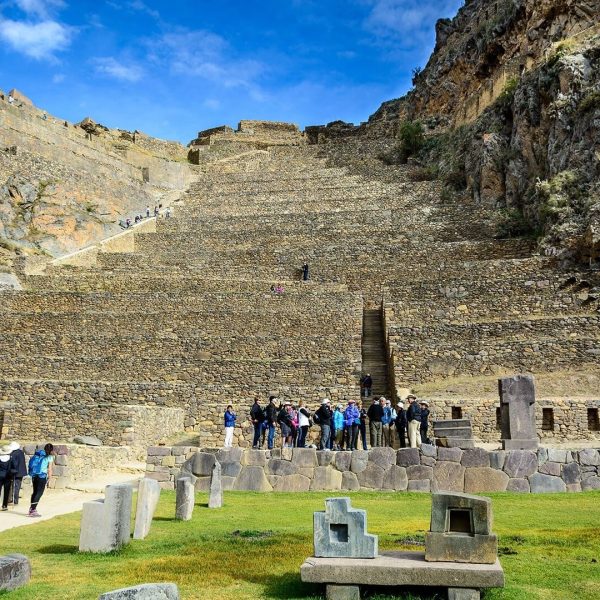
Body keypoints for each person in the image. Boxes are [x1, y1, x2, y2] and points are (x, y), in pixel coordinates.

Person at [28, 443, 54, 517]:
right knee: (39, 493)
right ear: (51, 450)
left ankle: (31, 508)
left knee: (35, 492)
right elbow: (50, 469)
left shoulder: (38, 454)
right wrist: (50, 478)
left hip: (34, 475)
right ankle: (33, 510)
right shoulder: (49, 457)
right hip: (42, 476)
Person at [7, 442, 27, 506]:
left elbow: (14, 464)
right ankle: (15, 501)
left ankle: (12, 501)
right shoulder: (21, 452)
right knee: (17, 486)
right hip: (21, 472)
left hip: (15, 472)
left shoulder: (13, 453)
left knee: (14, 486)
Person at [0, 445, 12, 511]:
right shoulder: (10, 458)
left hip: (0, 475)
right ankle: (4, 505)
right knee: (6, 491)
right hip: (8, 476)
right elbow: (13, 466)